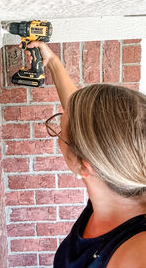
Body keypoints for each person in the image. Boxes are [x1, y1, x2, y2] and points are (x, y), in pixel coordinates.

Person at [22, 41, 146, 268]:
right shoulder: (118, 185)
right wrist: (53, 63)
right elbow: (85, 123)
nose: (58, 133)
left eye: (59, 130)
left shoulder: (136, 252)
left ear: (85, 166)